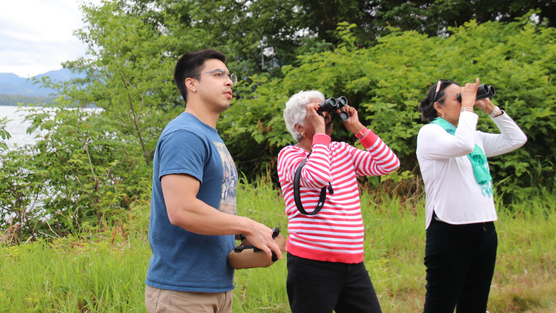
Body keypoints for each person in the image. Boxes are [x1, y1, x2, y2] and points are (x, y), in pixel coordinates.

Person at [145, 49, 283, 313]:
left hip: (216, 286)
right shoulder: (184, 134)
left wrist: (246, 233)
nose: (229, 81)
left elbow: (209, 209)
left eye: (229, 75)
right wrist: (247, 224)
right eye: (218, 74)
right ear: (192, 84)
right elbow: (181, 210)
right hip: (183, 292)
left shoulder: (209, 136)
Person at [277, 90, 401, 313]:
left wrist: (358, 129)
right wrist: (320, 136)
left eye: (325, 114)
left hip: (352, 263)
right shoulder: (289, 156)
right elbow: (318, 177)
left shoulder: (341, 150)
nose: (324, 118)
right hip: (312, 263)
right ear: (299, 127)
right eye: (316, 114)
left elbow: (388, 164)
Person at [416, 78, 528, 313]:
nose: (466, 100)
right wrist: (468, 107)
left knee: (475, 305)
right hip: (449, 230)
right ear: (439, 106)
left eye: (466, 96)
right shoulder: (430, 133)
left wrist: (491, 109)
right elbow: (462, 145)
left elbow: (517, 140)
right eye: (459, 98)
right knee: (440, 306)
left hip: (484, 229)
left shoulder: (473, 136)